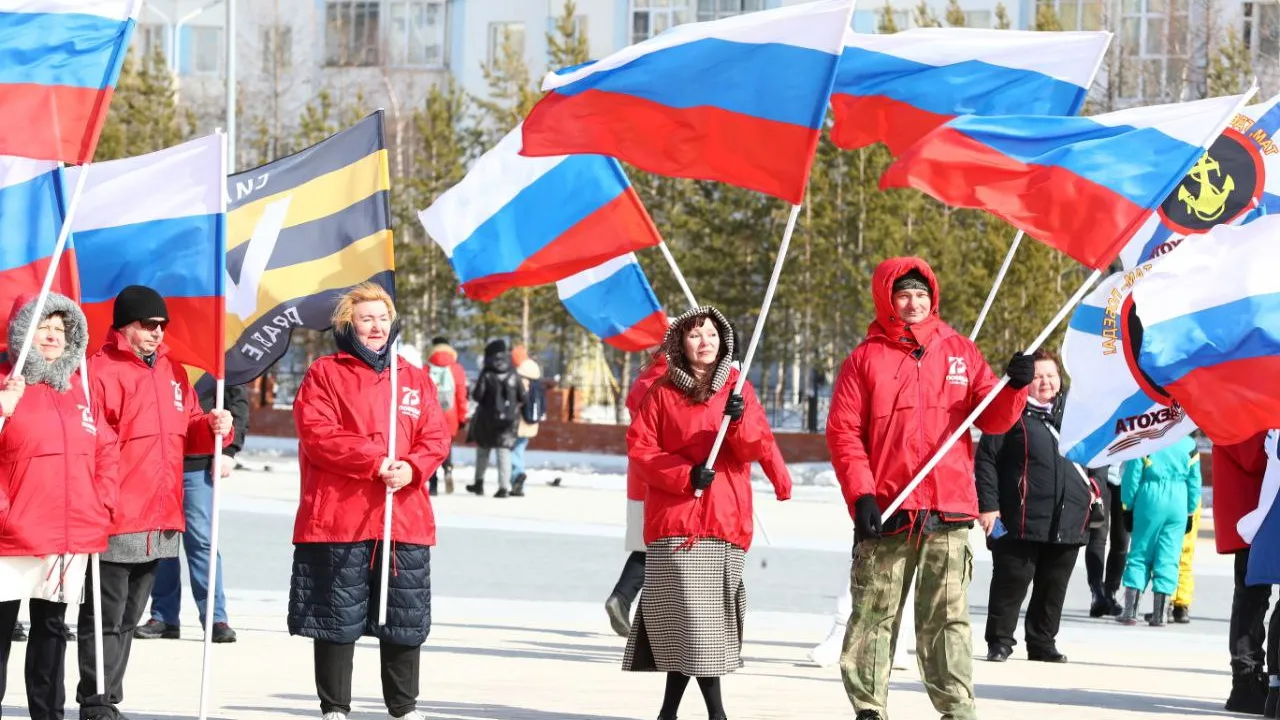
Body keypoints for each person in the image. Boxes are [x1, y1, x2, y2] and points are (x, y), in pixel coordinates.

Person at [826, 258, 1032, 720]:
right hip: (890, 507)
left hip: (949, 508)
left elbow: (994, 417)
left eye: (921, 294)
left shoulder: (959, 349)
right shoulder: (864, 359)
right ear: (887, 298)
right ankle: (869, 708)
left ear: (932, 297)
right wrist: (863, 494)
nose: (913, 302)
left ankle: (957, 709)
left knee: (946, 620)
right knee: (873, 615)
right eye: (903, 294)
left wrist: (1014, 386)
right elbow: (843, 434)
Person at [287, 283, 450, 720]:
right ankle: (335, 706)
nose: (376, 326)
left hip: (403, 516)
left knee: (403, 616)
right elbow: (318, 434)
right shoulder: (325, 373)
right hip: (341, 515)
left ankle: (403, 706)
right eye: (366, 318)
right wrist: (374, 462)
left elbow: (436, 435)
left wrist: (413, 467)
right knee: (337, 615)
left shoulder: (413, 378)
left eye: (382, 318)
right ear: (348, 324)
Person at [623, 305, 789, 720]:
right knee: (695, 623)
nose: (705, 342)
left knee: (696, 625)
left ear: (724, 342)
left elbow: (756, 445)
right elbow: (641, 451)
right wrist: (685, 474)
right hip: (676, 521)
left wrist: (739, 421)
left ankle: (668, 712)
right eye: (696, 335)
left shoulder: (738, 390)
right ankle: (717, 714)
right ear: (680, 342)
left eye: (713, 335)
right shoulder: (660, 393)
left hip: (723, 520)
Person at [78, 285, 232, 720]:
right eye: (148, 325)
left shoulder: (174, 373)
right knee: (104, 617)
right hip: (117, 513)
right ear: (124, 326)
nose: (157, 333)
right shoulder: (99, 370)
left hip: (162, 516)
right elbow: (91, 440)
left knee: (130, 616)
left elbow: (191, 429)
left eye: (162, 326)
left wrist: (215, 425)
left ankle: (108, 697)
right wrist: (100, 505)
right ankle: (95, 701)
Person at [0, 293, 118, 720]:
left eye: (60, 329)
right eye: (43, 327)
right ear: (23, 331)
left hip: (69, 534)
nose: (52, 336)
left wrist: (101, 500)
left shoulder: (79, 391)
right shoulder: (5, 382)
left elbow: (106, 448)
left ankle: (48, 714)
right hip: (12, 535)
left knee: (52, 629)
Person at [976, 349, 1092, 663]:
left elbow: (1096, 461)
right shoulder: (1009, 413)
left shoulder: (1078, 415)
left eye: (1051, 375)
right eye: (1038, 376)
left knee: (1053, 586)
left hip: (1068, 517)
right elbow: (986, 460)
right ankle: (1000, 641)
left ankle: (1042, 642)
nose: (1045, 382)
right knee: (1010, 582)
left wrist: (1095, 500)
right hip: (1018, 518)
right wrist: (989, 507)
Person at [136, 382, 249, 643]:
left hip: (198, 463)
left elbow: (237, 401)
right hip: (158, 461)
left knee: (201, 541)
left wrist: (230, 450)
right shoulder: (159, 359)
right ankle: (164, 616)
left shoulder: (216, 351)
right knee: (162, 541)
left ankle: (215, 618)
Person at [1216, 432, 1274, 714]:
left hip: (1257, 510)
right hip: (1254, 512)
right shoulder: (1242, 408)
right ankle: (1247, 680)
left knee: (1251, 597)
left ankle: (1252, 679)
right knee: (1251, 598)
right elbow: (1252, 456)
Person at [1116, 436, 1201, 627]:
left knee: (1139, 554)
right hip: (1179, 500)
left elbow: (1131, 476)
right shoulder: (1189, 445)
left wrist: (1127, 506)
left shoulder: (1144, 439)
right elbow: (1195, 482)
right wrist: (1189, 512)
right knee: (1169, 557)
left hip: (1149, 498)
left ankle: (1130, 612)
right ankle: (1160, 614)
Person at [465, 339, 524, 499]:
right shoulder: (513, 372)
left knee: (483, 450)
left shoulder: (487, 372)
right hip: (508, 421)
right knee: (503, 452)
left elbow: (477, 395)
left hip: (487, 419)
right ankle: (504, 487)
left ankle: (478, 483)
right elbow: (522, 395)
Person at [426, 336, 468, 496]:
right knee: (446, 446)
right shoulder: (457, 369)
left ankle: (433, 481)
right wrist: (463, 416)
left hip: (432, 413)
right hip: (451, 413)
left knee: (431, 446)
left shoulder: (427, 367)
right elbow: (461, 395)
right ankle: (448, 468)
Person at [1084, 463, 1126, 617]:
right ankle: (1097, 592)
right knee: (1098, 536)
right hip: (1102, 476)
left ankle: (1111, 592)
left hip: (1127, 478)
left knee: (1121, 540)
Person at [510, 344, 542, 497]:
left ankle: (517, 475)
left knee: (514, 451)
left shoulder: (520, 376)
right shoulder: (536, 373)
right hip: (532, 421)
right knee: (520, 449)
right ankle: (518, 479)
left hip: (519, 420)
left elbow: (517, 398)